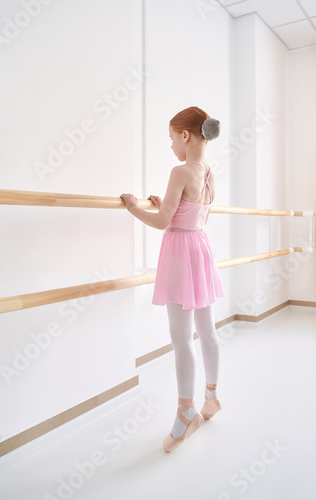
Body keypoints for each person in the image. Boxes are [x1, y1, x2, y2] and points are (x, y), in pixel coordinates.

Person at [120, 106, 226, 453]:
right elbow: (190, 213)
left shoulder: (180, 171)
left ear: (185, 135)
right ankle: (211, 396)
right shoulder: (209, 172)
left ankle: (186, 412)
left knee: (181, 337)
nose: (170, 146)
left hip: (181, 254)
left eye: (171, 138)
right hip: (201, 249)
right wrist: (164, 203)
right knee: (207, 330)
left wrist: (134, 208)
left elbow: (166, 221)